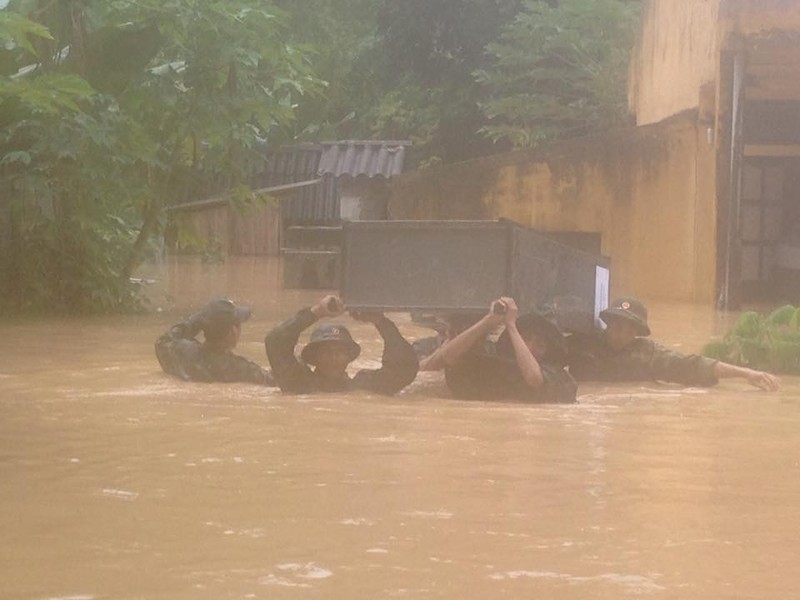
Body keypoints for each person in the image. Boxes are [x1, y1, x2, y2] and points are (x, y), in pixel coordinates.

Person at [567, 297, 781, 391]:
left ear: (637, 334)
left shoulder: (647, 355)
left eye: (629, 329)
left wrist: (746, 374)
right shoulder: (583, 342)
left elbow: (693, 365)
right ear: (608, 324)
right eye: (617, 325)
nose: (621, 333)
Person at [425, 297, 577, 403]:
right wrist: (489, 321)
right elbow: (448, 358)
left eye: (540, 344)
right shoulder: (495, 362)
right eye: (525, 338)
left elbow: (534, 378)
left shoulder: (560, 377)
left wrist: (511, 326)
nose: (530, 347)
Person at [264, 294, 419, 395]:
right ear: (314, 357)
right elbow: (275, 342)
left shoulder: (364, 385)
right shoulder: (298, 382)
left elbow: (405, 368)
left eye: (339, 351)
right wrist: (317, 312)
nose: (333, 357)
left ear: (349, 357)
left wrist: (380, 322)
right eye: (326, 351)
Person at [155, 297, 274, 385]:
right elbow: (279, 382)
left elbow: (163, 340)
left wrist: (197, 320)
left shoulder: (181, 352)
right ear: (233, 331)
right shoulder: (242, 369)